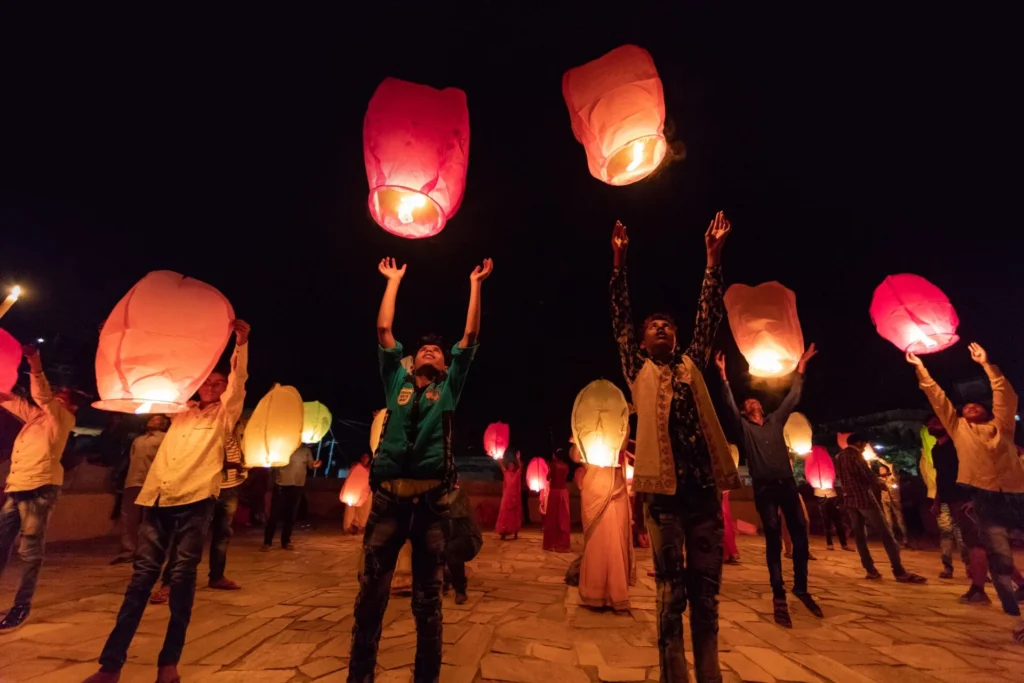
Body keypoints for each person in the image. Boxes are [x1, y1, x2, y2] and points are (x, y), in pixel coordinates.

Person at [348, 256, 491, 683]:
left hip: (430, 507)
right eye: (424, 349)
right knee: (370, 600)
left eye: (438, 351)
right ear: (411, 361)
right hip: (387, 504)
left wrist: (476, 285)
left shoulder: (449, 388)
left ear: (446, 365)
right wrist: (392, 282)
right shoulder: (397, 382)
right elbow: (383, 332)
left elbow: (470, 337)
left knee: (428, 605)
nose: (431, 351)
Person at [610, 214, 739, 683]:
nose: (661, 328)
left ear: (678, 337)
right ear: (643, 341)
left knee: (706, 596)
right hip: (663, 503)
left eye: (667, 325)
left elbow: (709, 315)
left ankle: (709, 676)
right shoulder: (636, 369)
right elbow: (620, 318)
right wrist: (619, 263)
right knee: (670, 597)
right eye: (653, 326)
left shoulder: (692, 365)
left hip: (703, 497)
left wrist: (712, 259)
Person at [86, 319, 249, 683]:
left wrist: (240, 343)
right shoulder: (180, 410)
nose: (211, 387)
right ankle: (110, 665)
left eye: (218, 383)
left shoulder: (225, 415)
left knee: (182, 577)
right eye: (207, 381)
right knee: (141, 579)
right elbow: (150, 376)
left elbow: (239, 381)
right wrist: (116, 345)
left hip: (196, 499)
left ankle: (168, 663)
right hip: (158, 497)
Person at [907, 343, 1024, 643]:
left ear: (987, 411)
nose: (970, 406)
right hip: (985, 497)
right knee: (1000, 558)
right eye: (966, 406)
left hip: (1017, 493)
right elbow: (938, 399)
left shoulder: (1002, 427)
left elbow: (1005, 395)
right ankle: (1018, 618)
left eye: (977, 405)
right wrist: (921, 369)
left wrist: (986, 365)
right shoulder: (958, 428)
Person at [716, 345, 822, 627]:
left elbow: (792, 397)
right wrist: (724, 376)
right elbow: (727, 406)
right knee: (773, 537)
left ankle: (801, 587)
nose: (752, 401)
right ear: (744, 410)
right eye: (747, 401)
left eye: (755, 400)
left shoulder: (775, 421)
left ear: (761, 407)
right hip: (764, 489)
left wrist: (801, 367)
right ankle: (778, 594)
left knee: (800, 535)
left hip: (787, 485)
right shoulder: (744, 428)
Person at [0, 345, 78, 632]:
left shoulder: (63, 419)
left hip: (40, 488)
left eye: (63, 397)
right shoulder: (35, 418)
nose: (56, 397)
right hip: (17, 486)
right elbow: (8, 399)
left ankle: (22, 606)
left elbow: (42, 396)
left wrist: (34, 363)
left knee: (29, 550)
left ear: (71, 407)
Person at [149, 424, 248, 603]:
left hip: (230, 488)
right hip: (206, 489)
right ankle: (169, 583)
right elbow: (203, 458)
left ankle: (217, 576)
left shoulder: (237, 431)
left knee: (222, 535)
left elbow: (239, 455)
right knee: (188, 537)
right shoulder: (209, 428)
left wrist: (243, 468)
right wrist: (233, 465)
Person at [835, 433, 926, 585]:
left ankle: (870, 570)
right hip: (864, 499)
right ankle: (899, 571)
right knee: (886, 535)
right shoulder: (856, 456)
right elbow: (866, 475)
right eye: (864, 445)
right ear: (858, 442)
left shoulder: (839, 457)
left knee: (860, 538)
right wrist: (879, 482)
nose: (865, 448)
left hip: (849, 501)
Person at [111, 414, 170, 565]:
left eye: (157, 419)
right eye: (152, 419)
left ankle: (148, 551)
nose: (152, 421)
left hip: (152, 483)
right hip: (132, 481)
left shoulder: (165, 439)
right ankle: (129, 550)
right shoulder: (138, 440)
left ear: (164, 424)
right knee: (129, 518)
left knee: (149, 520)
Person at [262, 444, 321, 550]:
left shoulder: (305, 450)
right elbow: (272, 465)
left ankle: (286, 541)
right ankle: (267, 542)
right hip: (281, 485)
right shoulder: (282, 446)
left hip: (297, 485)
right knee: (274, 514)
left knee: (291, 515)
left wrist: (315, 464)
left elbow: (311, 465)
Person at [444, 480, 482, 605]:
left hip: (468, 538)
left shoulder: (458, 494)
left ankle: (460, 590)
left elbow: (447, 507)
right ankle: (446, 579)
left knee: (451, 550)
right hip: (448, 538)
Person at [543, 448, 572, 552]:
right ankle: (563, 543)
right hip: (563, 492)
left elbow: (548, 478)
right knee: (563, 518)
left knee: (552, 518)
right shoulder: (566, 466)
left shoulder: (553, 465)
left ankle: (551, 543)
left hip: (555, 492)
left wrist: (548, 467)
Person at [876, 463, 908, 547]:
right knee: (888, 521)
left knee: (900, 520)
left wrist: (878, 458)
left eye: (882, 469)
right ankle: (892, 540)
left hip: (895, 501)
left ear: (887, 470)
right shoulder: (879, 479)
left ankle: (905, 539)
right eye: (880, 469)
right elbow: (870, 476)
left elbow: (891, 465)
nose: (881, 470)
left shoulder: (893, 477)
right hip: (885, 501)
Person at [342, 453, 373, 535]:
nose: (365, 459)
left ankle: (360, 525)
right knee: (350, 509)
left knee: (364, 509)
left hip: (365, 491)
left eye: (367, 457)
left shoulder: (371, 468)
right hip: (354, 491)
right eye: (363, 457)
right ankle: (348, 526)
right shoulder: (355, 467)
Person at [496, 450, 522, 540]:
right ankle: (503, 532)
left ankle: (515, 532)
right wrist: (499, 459)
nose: (511, 466)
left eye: (512, 465)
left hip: (514, 498)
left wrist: (518, 459)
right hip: (507, 497)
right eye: (510, 465)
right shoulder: (506, 473)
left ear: (514, 467)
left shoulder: (516, 474)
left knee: (514, 515)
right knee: (505, 515)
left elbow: (520, 468)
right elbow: (501, 466)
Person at [816, 486, 851, 552]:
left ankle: (844, 544)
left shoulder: (835, 487)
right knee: (827, 525)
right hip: (825, 506)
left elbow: (840, 496)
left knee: (839, 525)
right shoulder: (819, 487)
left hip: (834, 506)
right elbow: (819, 498)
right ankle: (830, 544)